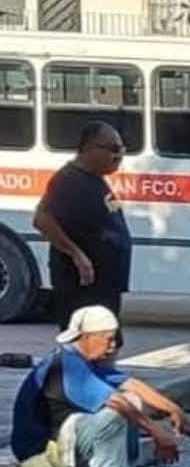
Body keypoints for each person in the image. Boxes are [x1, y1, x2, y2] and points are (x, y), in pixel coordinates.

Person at [10, 306, 190, 467]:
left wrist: (173, 409)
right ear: (87, 337)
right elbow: (116, 402)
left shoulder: (83, 358)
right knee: (116, 412)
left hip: (65, 436)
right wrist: (158, 433)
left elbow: (129, 383)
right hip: (40, 449)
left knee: (132, 400)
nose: (113, 346)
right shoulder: (68, 364)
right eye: (108, 339)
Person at [33, 121, 133, 333]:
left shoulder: (96, 179)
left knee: (106, 348)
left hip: (104, 288)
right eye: (114, 149)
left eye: (122, 150)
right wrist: (77, 255)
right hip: (83, 291)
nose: (119, 156)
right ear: (90, 148)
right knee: (86, 351)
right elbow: (42, 219)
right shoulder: (68, 181)